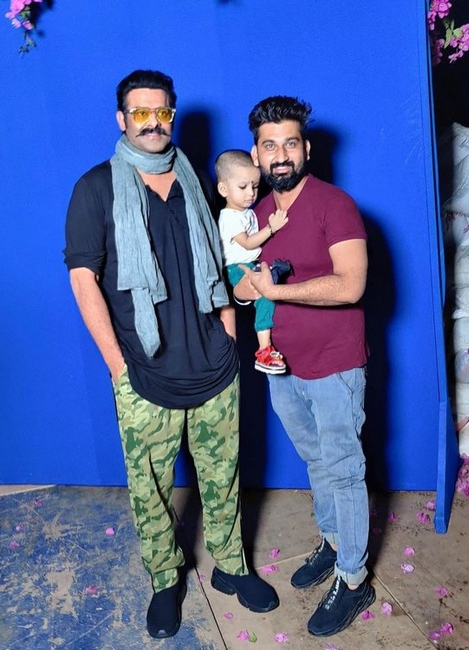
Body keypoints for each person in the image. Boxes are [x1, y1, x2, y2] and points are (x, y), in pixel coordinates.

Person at [63, 70, 278, 640]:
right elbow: (83, 280)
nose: (153, 123)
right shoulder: (95, 188)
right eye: (141, 113)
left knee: (224, 476)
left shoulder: (195, 183)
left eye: (162, 112)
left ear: (172, 115)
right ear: (122, 120)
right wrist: (118, 367)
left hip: (213, 363)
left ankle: (232, 566)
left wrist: (229, 337)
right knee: (151, 488)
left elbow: (219, 262)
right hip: (144, 370)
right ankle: (165, 579)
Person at [235, 95, 375, 638]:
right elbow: (245, 287)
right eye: (269, 146)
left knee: (344, 466)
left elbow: (351, 285)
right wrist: (246, 290)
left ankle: (354, 578)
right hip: (282, 366)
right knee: (316, 459)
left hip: (335, 364)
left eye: (290, 143)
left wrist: (276, 290)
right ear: (256, 155)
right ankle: (334, 541)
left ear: (306, 149)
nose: (280, 155)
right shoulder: (256, 216)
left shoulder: (334, 204)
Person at [215, 149, 290, 374]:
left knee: (272, 286)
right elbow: (247, 243)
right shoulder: (229, 217)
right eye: (243, 187)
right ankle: (264, 350)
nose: (251, 193)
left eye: (255, 186)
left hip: (250, 264)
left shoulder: (246, 212)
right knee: (266, 295)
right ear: (223, 189)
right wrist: (271, 228)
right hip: (237, 269)